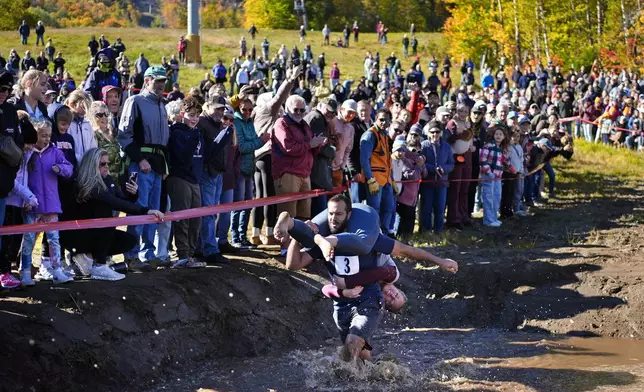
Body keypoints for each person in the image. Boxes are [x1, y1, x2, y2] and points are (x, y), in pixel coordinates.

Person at [277, 195, 457, 363]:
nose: (333, 218)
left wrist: (440, 261)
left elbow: (407, 251)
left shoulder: (370, 239)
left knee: (352, 343)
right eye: (330, 214)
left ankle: (355, 381)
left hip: (368, 299)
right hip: (341, 305)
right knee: (361, 355)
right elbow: (293, 265)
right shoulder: (321, 238)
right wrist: (298, 236)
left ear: (349, 215)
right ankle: (373, 378)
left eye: (339, 214)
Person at [60, 148, 164, 281]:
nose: (106, 167)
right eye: (102, 164)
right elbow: (113, 202)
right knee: (105, 211)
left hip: (93, 233)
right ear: (92, 166)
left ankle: (88, 257)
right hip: (74, 235)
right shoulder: (86, 183)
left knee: (128, 240)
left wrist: (133, 194)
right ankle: (99, 264)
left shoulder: (108, 179)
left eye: (107, 163)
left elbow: (122, 201)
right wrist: (146, 211)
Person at [118, 66, 170, 270]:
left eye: (163, 81)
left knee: (155, 213)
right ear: (147, 81)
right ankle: (131, 256)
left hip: (157, 165)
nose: (160, 85)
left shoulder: (161, 104)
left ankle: (148, 254)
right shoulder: (135, 101)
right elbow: (124, 135)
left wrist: (165, 166)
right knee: (139, 211)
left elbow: (163, 141)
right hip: (140, 165)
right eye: (157, 81)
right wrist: (139, 159)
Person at [252, 65, 303, 246]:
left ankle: (256, 232)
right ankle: (269, 233)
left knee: (259, 195)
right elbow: (279, 97)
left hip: (258, 157)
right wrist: (290, 80)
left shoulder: (257, 115)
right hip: (267, 155)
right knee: (269, 195)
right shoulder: (267, 111)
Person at [20, 119, 74, 285]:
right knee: (29, 239)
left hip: (51, 204)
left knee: (54, 239)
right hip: (32, 204)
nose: (46, 139)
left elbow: (69, 168)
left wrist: (61, 169)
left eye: (49, 135)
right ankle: (25, 271)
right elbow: (21, 177)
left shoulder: (55, 151)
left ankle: (56, 270)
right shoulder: (28, 153)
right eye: (43, 135)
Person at [0, 71, 38, 289]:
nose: (3, 93)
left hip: (4, 186)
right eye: (0, 89)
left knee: (4, 233)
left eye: (6, 89)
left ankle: (3, 271)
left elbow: (22, 145)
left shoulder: (11, 111)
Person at [166, 97, 206, 268]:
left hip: (195, 179)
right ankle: (182, 254)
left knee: (196, 220)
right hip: (179, 178)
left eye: (197, 115)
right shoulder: (177, 133)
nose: (194, 118)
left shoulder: (196, 133)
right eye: (191, 115)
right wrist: (192, 139)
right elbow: (182, 158)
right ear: (182, 114)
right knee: (182, 218)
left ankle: (190, 254)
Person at [197, 95, 234, 264]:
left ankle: (204, 247)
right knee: (208, 213)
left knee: (211, 212)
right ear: (207, 106)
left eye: (222, 108)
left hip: (218, 173)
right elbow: (204, 152)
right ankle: (209, 250)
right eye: (217, 108)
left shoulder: (219, 124)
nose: (220, 111)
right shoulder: (202, 123)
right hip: (207, 173)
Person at [232, 98, 270, 249]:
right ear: (238, 109)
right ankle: (235, 237)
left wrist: (259, 139)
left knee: (248, 204)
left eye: (250, 109)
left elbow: (252, 141)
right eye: (244, 110)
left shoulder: (249, 122)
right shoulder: (237, 123)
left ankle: (243, 236)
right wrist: (261, 141)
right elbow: (241, 147)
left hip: (250, 168)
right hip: (240, 169)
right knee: (238, 205)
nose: (248, 112)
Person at [361, 108, 394, 232]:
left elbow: (387, 160)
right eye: (381, 119)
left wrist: (392, 179)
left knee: (388, 209)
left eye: (387, 120)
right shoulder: (370, 135)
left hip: (386, 180)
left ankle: (384, 237)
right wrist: (370, 179)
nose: (384, 122)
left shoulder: (385, 135)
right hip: (375, 179)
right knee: (374, 211)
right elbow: (364, 160)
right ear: (376, 119)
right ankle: (372, 236)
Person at [305, 97, 337, 217]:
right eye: (328, 110)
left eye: (333, 113)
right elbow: (319, 147)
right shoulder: (317, 118)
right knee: (319, 213)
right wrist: (333, 151)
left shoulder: (314, 117)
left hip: (312, 169)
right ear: (319, 106)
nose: (331, 114)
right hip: (316, 171)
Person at [420, 120, 454, 233]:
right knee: (427, 208)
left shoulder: (446, 147)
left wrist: (444, 169)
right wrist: (433, 169)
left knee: (440, 209)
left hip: (442, 182)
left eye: (437, 132)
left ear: (441, 132)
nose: (435, 134)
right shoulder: (423, 146)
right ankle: (425, 231)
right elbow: (420, 163)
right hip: (427, 182)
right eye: (432, 132)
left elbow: (451, 163)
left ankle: (439, 231)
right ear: (428, 133)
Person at [445, 104, 474, 229]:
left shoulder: (468, 124)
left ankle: (463, 215)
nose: (462, 113)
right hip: (456, 157)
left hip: (467, 156)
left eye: (465, 111)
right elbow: (448, 140)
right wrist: (459, 133)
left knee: (464, 187)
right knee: (455, 189)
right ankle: (453, 218)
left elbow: (470, 139)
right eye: (460, 111)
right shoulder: (452, 123)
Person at [480, 122, 509, 227]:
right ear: (493, 135)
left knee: (497, 196)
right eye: (497, 134)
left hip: (498, 177)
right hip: (489, 176)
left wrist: (510, 166)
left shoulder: (502, 149)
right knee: (488, 197)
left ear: (504, 137)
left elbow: (504, 161)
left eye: (501, 134)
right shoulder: (488, 146)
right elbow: (482, 159)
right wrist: (488, 172)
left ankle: (494, 218)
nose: (498, 136)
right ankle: (488, 220)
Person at [64, 90, 96, 163]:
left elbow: (93, 146)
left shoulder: (87, 124)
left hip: (86, 167)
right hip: (72, 166)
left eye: (87, 107)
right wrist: (80, 160)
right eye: (83, 107)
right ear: (72, 105)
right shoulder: (66, 124)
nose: (85, 111)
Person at [331, 99, 356, 187]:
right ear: (341, 109)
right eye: (349, 112)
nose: (351, 115)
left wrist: (342, 166)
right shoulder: (332, 121)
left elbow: (348, 149)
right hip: (327, 167)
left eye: (353, 113)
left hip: (338, 168)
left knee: (337, 197)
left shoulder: (351, 128)